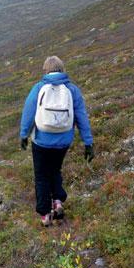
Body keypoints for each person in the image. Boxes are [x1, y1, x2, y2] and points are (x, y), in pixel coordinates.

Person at [20, 55, 94, 226]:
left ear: (46, 70)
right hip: (63, 141)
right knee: (55, 170)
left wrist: (24, 135)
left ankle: (45, 215)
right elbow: (82, 117)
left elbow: (28, 112)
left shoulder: (39, 88)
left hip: (41, 141)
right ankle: (58, 201)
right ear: (62, 69)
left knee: (41, 176)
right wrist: (88, 143)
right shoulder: (73, 90)